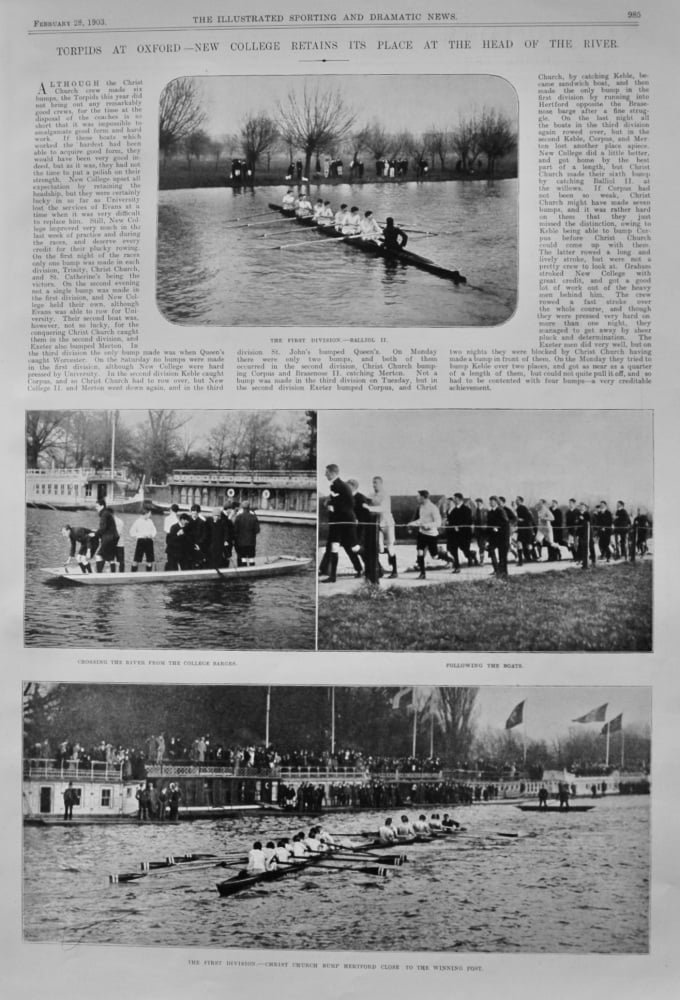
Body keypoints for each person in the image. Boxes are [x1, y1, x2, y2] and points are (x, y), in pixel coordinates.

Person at [322, 464, 362, 583]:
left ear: (333, 473)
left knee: (354, 548)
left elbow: (344, 504)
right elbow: (341, 502)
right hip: (338, 521)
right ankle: (332, 576)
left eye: (327, 472)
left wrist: (329, 503)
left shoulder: (338, 486)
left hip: (344, 522)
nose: (325, 475)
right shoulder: (338, 485)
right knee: (334, 547)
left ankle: (371, 562)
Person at [408, 490, 448, 580]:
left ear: (423, 497)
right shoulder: (421, 507)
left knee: (435, 556)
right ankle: (422, 574)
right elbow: (421, 520)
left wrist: (428, 526)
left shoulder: (433, 508)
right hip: (422, 533)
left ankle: (446, 556)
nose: (416, 498)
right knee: (420, 552)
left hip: (431, 535)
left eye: (418, 497)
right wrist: (412, 523)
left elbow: (438, 522)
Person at [369, 475, 398, 578]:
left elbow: (383, 508)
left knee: (390, 546)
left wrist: (369, 508)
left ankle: (394, 571)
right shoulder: (372, 495)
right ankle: (380, 569)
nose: (374, 485)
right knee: (380, 549)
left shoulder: (385, 495)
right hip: (378, 523)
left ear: (381, 484)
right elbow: (368, 503)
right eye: (373, 483)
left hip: (388, 523)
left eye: (376, 483)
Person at [446, 492, 474, 573]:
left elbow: (468, 521)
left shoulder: (467, 510)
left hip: (464, 534)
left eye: (454, 498)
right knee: (453, 549)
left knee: (464, 549)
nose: (453, 500)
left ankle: (471, 555)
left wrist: (459, 527)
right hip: (454, 534)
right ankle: (457, 566)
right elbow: (451, 521)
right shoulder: (453, 510)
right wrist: (449, 523)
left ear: (458, 499)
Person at [92, 499, 119, 573]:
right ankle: (113, 575)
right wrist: (97, 531)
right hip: (114, 537)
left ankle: (98, 575)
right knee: (110, 558)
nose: (96, 508)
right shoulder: (107, 513)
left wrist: (95, 534)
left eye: (97, 506)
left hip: (109, 538)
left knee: (99, 555)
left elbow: (103, 528)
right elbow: (107, 527)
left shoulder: (104, 514)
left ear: (102, 506)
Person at [487, 496, 510, 578]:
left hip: (502, 536)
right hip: (493, 537)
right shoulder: (490, 512)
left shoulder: (501, 511)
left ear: (496, 502)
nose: (490, 503)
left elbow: (505, 523)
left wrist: (498, 528)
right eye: (490, 501)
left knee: (502, 555)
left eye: (492, 501)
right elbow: (489, 524)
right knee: (491, 550)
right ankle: (497, 570)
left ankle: (504, 573)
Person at [232, 501, 260, 566]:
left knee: (243, 558)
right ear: (249, 508)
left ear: (242, 508)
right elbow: (257, 530)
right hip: (251, 542)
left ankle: (243, 572)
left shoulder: (238, 517)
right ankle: (252, 571)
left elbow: (235, 530)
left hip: (241, 543)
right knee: (251, 558)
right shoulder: (254, 517)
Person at [129, 507, 157, 571]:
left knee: (150, 560)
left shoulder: (150, 521)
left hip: (149, 541)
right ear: (146, 513)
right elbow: (131, 532)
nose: (150, 515)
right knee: (136, 559)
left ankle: (148, 574)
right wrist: (141, 535)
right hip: (141, 541)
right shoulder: (137, 521)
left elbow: (154, 531)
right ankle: (132, 574)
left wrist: (152, 535)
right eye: (150, 513)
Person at [514, 497, 535, 566]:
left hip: (526, 529)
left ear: (521, 501)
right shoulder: (518, 508)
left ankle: (531, 558)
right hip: (521, 529)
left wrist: (522, 520)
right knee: (520, 544)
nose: (516, 501)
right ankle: (521, 560)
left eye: (517, 500)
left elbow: (530, 518)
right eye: (516, 500)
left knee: (527, 544)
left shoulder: (522, 508)